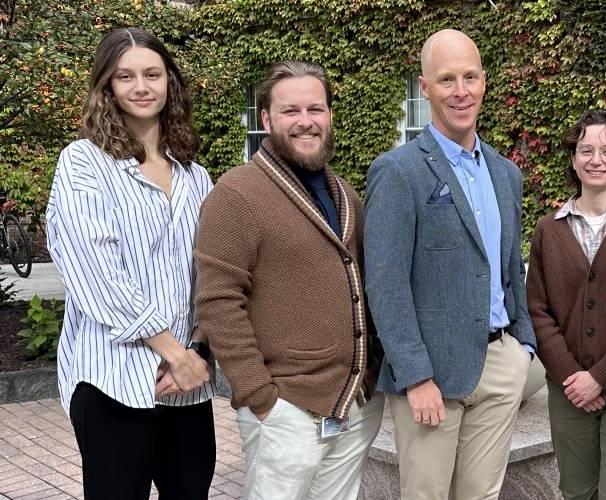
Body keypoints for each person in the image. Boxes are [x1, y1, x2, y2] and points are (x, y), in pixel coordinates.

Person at [194, 61, 383, 500]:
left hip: (353, 401)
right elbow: (218, 301)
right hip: (287, 407)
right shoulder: (236, 193)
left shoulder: (346, 194)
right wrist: (261, 396)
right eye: (290, 110)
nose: (305, 121)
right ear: (266, 119)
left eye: (315, 109)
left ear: (330, 115)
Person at [364, 28, 536, 499]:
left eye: (470, 77)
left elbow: (508, 266)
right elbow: (386, 284)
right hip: (431, 378)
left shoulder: (506, 173)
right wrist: (415, 376)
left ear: (484, 81)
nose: (461, 92)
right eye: (446, 80)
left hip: (500, 365)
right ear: (424, 87)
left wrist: (523, 348)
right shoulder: (398, 172)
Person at [46, 27, 215, 499]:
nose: (141, 87)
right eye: (125, 76)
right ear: (107, 87)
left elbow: (211, 272)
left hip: (187, 383)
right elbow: (95, 271)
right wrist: (173, 352)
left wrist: (196, 349)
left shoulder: (196, 176)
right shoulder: (84, 163)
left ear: (169, 83)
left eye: (152, 74)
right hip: (113, 379)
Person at [527, 109, 606, 500]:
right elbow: (537, 309)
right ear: (572, 158)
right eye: (585, 150)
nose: (595, 159)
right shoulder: (549, 231)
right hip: (567, 390)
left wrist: (600, 376)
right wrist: (572, 376)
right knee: (576, 490)